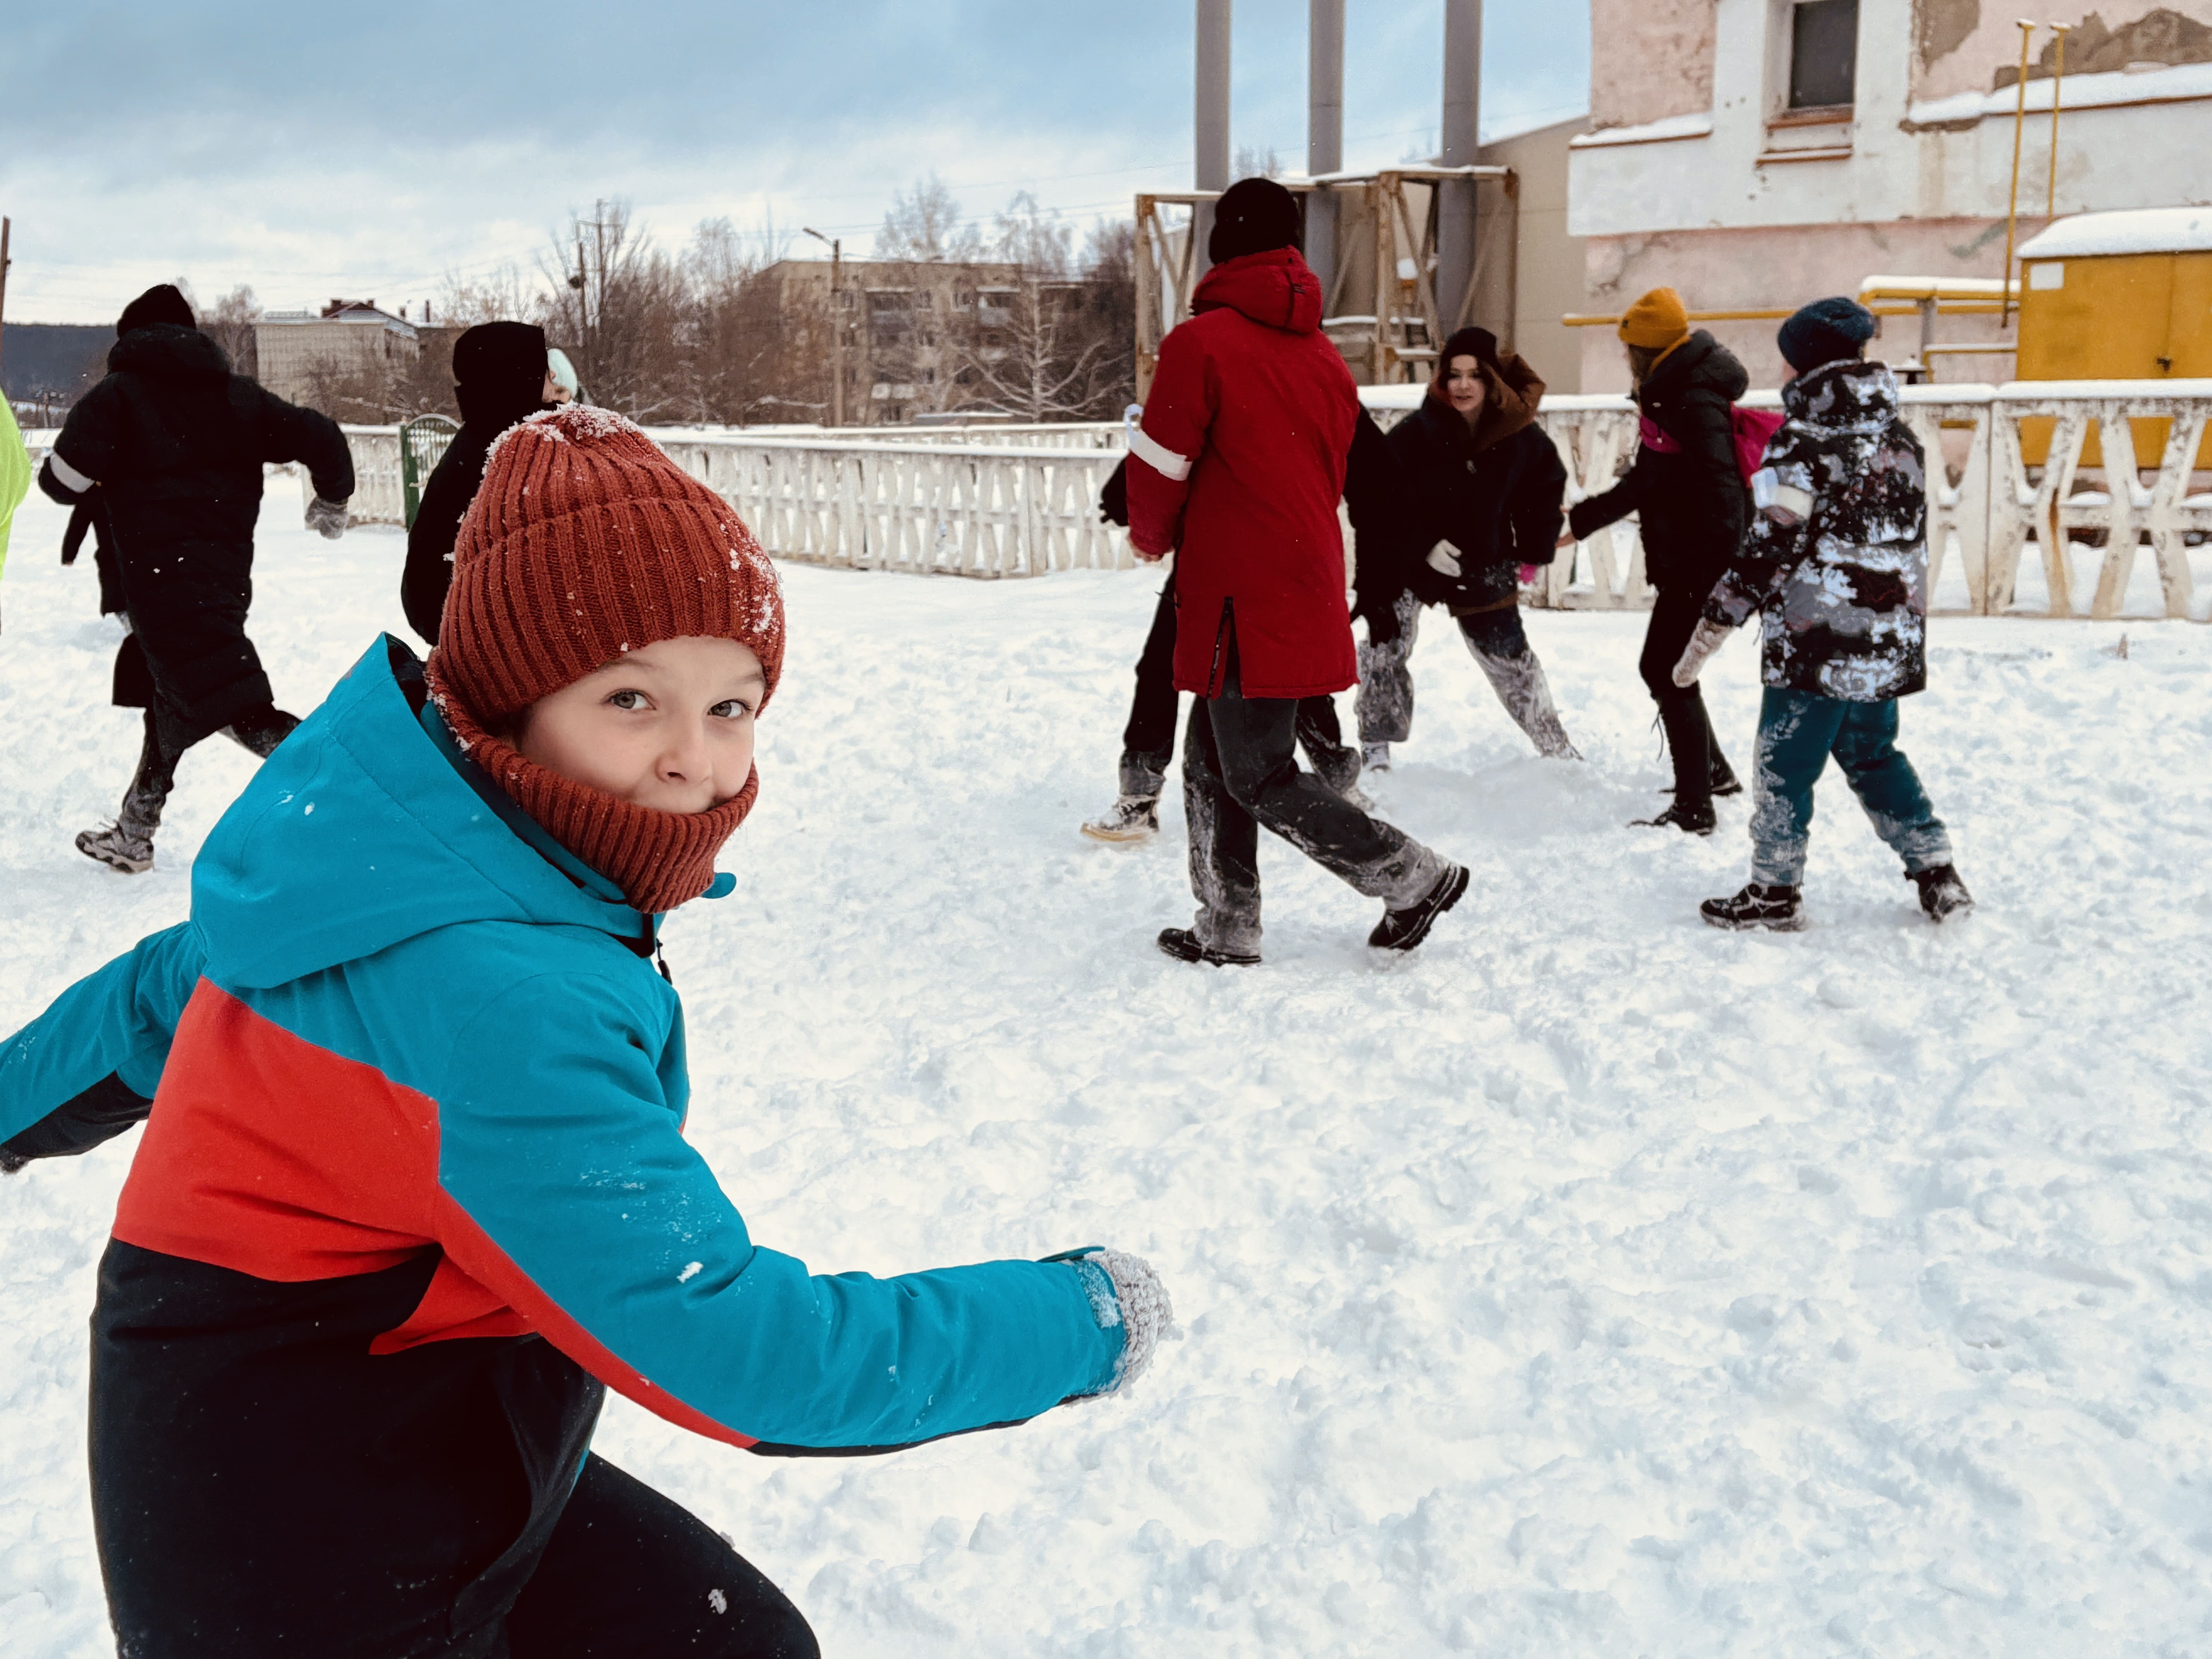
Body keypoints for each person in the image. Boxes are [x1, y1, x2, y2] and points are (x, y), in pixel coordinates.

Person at [0, 403, 1171, 1656]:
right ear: (508, 707)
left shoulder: (401, 855)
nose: (696, 760)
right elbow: (737, 1345)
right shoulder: (499, 993)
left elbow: (151, 1000)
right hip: (283, 1507)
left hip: (437, 1399)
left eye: (732, 704)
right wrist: (1080, 1319)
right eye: (633, 697)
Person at [1127, 177, 1466, 963]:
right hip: (1300, 581)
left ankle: (1409, 875)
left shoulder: (1199, 345)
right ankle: (1226, 926)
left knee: (1259, 773)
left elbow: (1158, 471)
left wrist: (1151, 538)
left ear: (1220, 249)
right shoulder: (1323, 359)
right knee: (1215, 760)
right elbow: (1349, 474)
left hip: (1236, 594)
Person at [1674, 298, 1974, 930]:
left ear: (1802, 365)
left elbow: (1770, 544)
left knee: (1783, 762)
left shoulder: (1802, 443)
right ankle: (1935, 868)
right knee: (1872, 753)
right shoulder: (1901, 439)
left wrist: (1715, 623)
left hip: (1818, 639)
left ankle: (1773, 889)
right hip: (1885, 634)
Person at [36, 283, 354, 873]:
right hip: (225, 582)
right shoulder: (238, 398)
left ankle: (356, 794)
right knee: (178, 695)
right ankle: (135, 829)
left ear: (130, 338)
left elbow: (61, 484)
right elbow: (323, 437)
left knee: (234, 705)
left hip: (159, 587)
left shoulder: (120, 396)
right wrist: (331, 500)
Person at [1079, 408, 1418, 842]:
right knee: (1162, 663)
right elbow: (1173, 433)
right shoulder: (1224, 372)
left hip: (1292, 558)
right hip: (1212, 557)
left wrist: (1380, 584)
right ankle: (1140, 794)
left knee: (1297, 678)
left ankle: (1338, 777)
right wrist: (1125, 490)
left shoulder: (1321, 381)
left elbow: (1379, 484)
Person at [1561, 287, 1747, 833]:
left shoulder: (1691, 400)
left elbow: (1723, 493)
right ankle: (1711, 775)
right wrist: (1581, 520)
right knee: (1668, 669)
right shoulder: (1673, 393)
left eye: (1627, 349)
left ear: (1644, 350)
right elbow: (1650, 479)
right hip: (1690, 559)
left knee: (1666, 670)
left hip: (1701, 563)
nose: (1623, 358)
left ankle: (1697, 806)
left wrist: (1718, 575)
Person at [1363, 326, 1578, 765]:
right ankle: (1375, 744)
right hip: (1409, 561)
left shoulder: (1518, 436)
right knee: (1385, 647)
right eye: (1454, 375)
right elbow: (1378, 495)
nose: (1462, 386)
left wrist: (1533, 549)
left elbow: (1545, 486)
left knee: (1511, 658)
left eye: (1474, 375)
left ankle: (1555, 747)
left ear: (1491, 381)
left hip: (1482, 559)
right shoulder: (1414, 434)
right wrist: (1421, 543)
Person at [401, 320, 560, 644]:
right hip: (475, 635)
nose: (554, 375)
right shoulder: (505, 451)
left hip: (465, 626)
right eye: (544, 367)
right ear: (520, 376)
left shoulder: (493, 433)